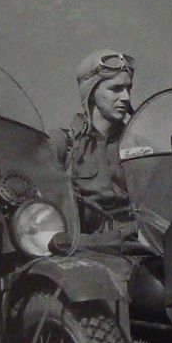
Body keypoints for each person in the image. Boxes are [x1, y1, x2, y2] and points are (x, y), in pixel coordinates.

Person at [51, 49, 137, 235]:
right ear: (91, 91)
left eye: (128, 89)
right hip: (84, 250)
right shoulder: (64, 143)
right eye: (116, 89)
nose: (126, 98)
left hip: (134, 249)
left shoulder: (138, 148)